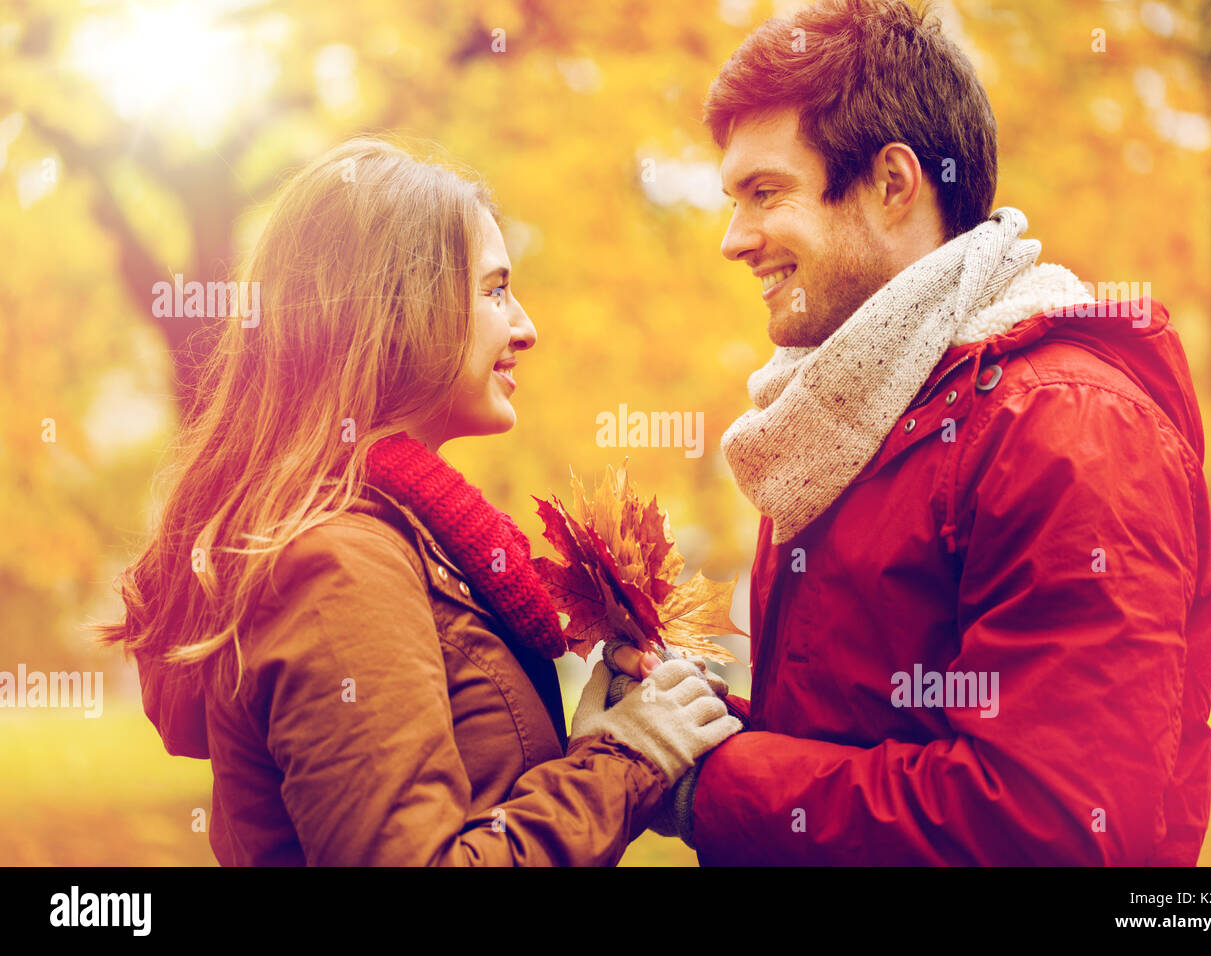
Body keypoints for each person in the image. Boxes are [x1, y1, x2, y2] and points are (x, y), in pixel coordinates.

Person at [610, 0, 1211, 865]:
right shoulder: (846, 417)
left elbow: (1050, 831)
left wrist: (717, 784)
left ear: (894, 182)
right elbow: (865, 740)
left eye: (765, 193)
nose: (733, 240)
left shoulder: (1069, 430)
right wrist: (698, 727)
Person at [96, 137, 741, 866]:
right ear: (400, 310)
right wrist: (625, 763)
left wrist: (595, 747)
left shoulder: (411, 542)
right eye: (495, 291)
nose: (526, 327)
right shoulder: (340, 567)